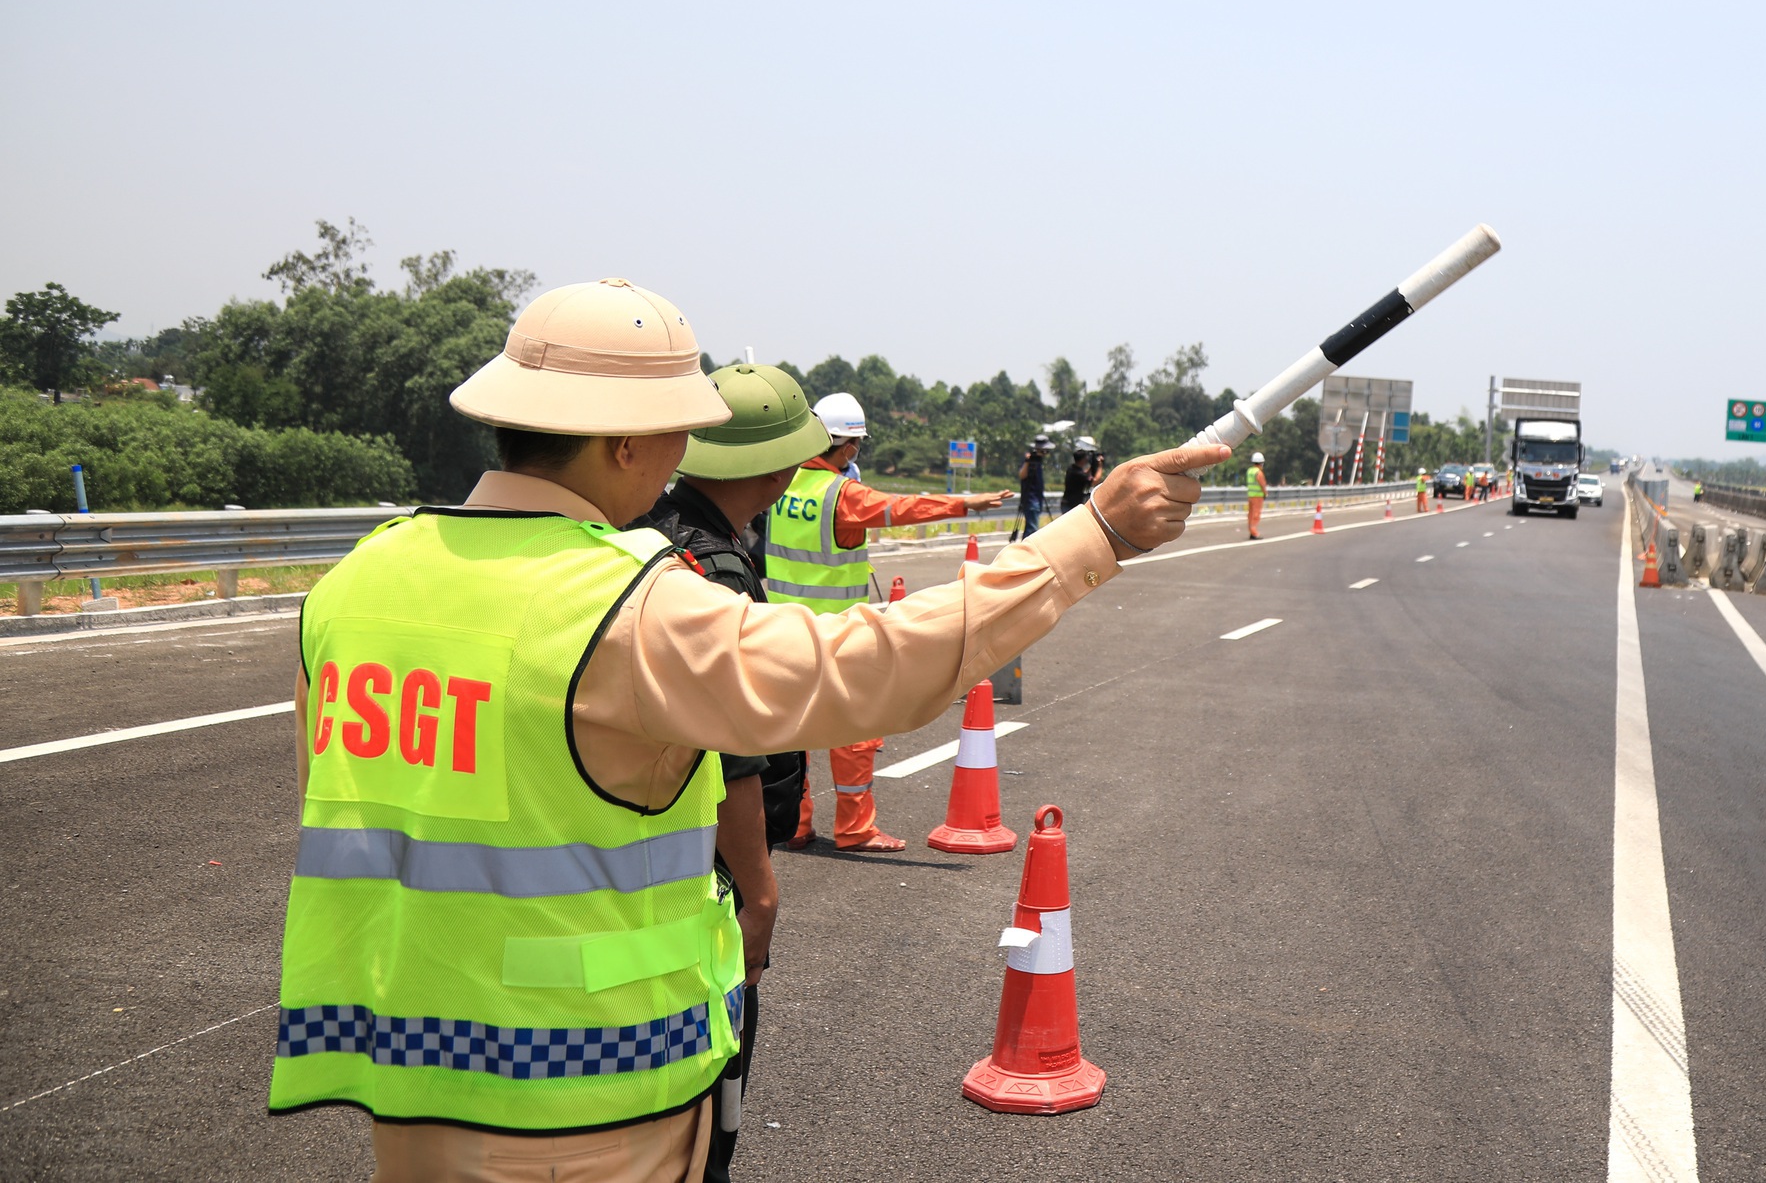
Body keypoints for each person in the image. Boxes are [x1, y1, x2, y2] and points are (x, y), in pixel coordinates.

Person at [271, 278, 1222, 1182]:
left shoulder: (355, 584)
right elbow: (873, 663)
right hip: (584, 1095)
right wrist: (1092, 534)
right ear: (625, 442)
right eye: (677, 428)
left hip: (410, 1082)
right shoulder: (624, 605)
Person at [635, 362, 829, 1183]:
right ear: (779, 469)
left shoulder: (652, 526)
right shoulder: (713, 568)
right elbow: (732, 753)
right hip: (705, 867)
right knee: (716, 1081)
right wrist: (760, 891)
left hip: (645, 845)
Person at [767, 390, 1005, 853]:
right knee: (854, 732)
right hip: (835, 637)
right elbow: (902, 507)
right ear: (848, 447)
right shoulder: (841, 495)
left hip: (781, 632)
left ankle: (793, 826)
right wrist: (965, 505)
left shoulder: (780, 485)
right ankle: (855, 829)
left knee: (790, 735)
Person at [1014, 434, 1051, 540]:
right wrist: (1027, 461)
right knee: (1032, 530)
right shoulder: (1028, 459)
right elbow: (1022, 475)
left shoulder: (1038, 460)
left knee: (1030, 529)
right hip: (1031, 500)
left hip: (1037, 499)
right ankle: (1026, 548)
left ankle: (1025, 547)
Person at [1061, 435, 1101, 513]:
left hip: (1068, 503)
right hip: (1071, 505)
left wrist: (1092, 465)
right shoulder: (1078, 474)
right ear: (1082, 460)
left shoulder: (1072, 469)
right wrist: (1100, 466)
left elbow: (1084, 474)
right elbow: (1095, 481)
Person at [1245, 450, 1268, 539]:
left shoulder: (1250, 471)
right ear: (1261, 463)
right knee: (1256, 515)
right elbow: (1262, 484)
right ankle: (1254, 533)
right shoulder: (1259, 472)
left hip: (1250, 495)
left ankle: (1251, 531)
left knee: (1250, 515)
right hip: (1257, 496)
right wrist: (1265, 493)